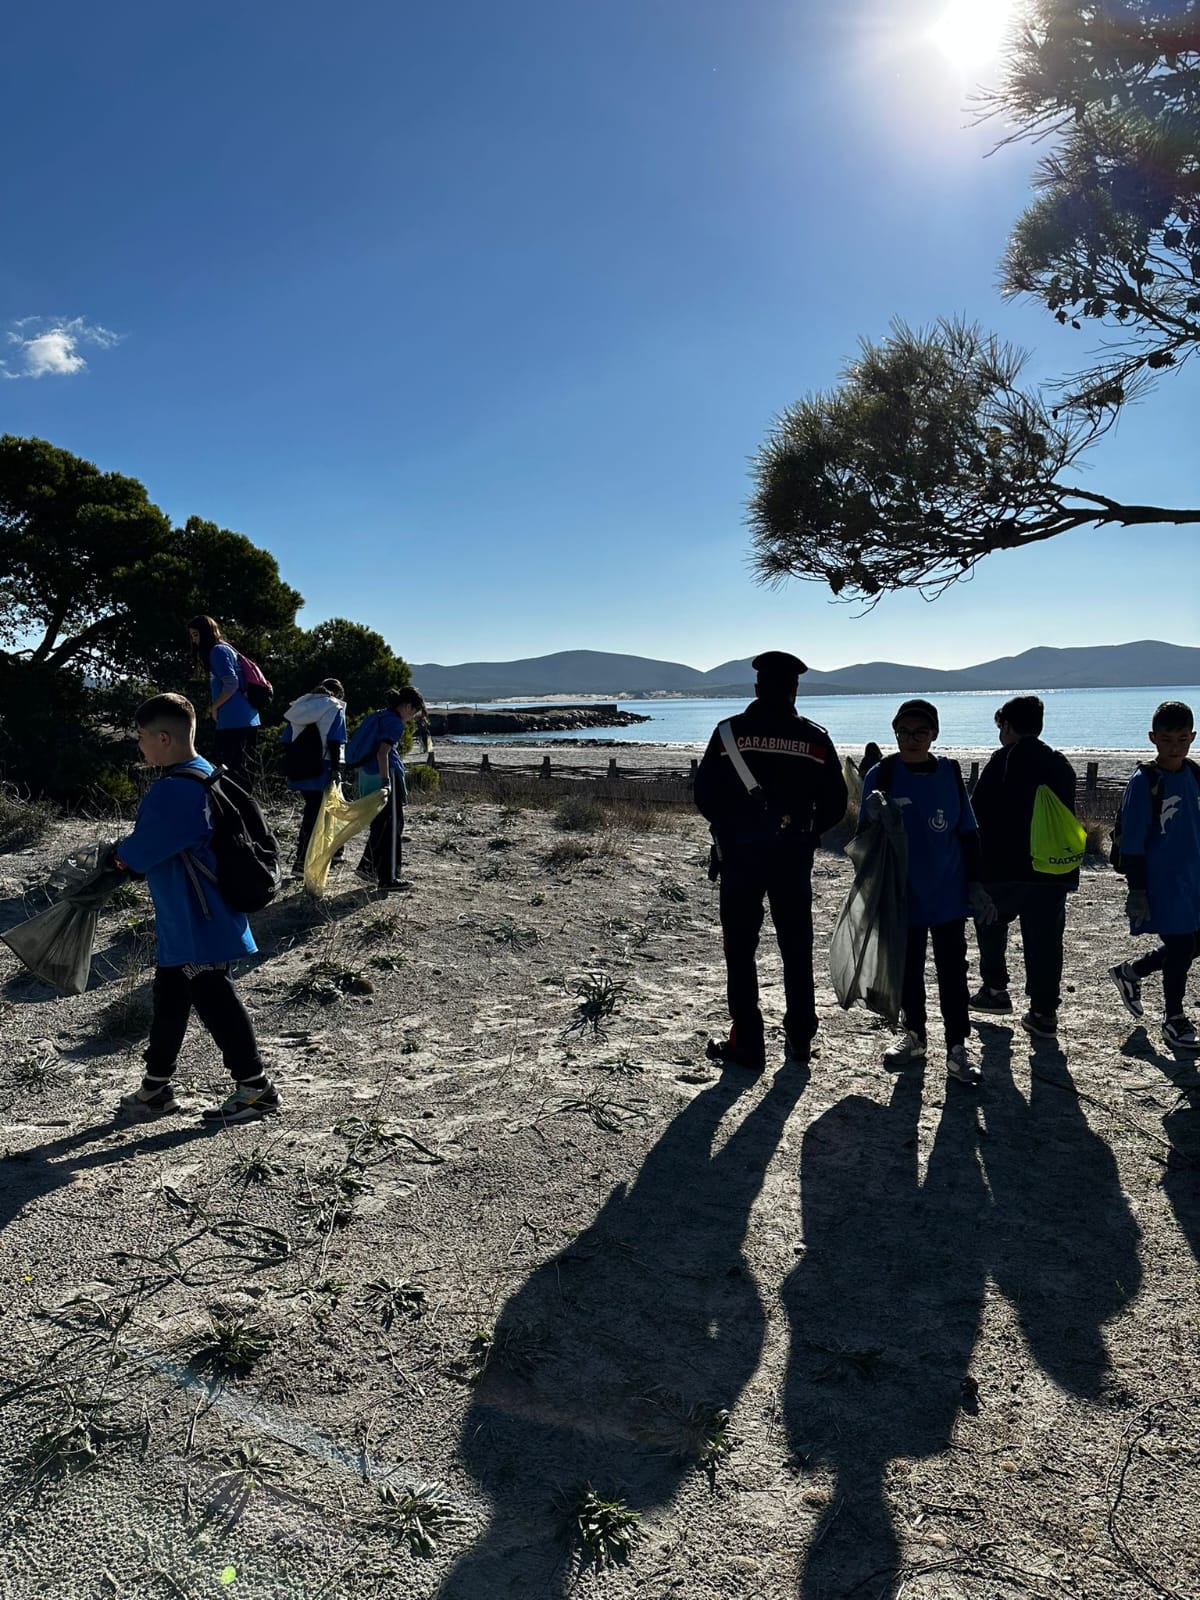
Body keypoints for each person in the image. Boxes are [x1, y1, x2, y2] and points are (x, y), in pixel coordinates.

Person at [112, 693, 279, 1123]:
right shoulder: (206, 774)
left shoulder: (174, 791)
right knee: (170, 994)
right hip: (200, 913)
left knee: (212, 995)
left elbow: (138, 854)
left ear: (163, 737)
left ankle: (255, 1088)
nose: (140, 745)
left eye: (142, 738)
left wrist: (112, 857)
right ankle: (156, 1089)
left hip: (194, 916)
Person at [695, 650, 847, 1071]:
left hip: (740, 856)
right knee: (796, 946)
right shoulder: (815, 740)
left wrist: (730, 827)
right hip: (792, 857)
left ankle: (748, 1042)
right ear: (795, 689)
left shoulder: (729, 734)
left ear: (758, 688)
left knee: (740, 950)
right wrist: (809, 833)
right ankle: (800, 1038)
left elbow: (704, 795)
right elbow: (836, 801)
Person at [862, 699, 994, 1088]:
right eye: (904, 732)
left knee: (954, 973)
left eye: (920, 732)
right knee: (908, 970)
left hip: (947, 895)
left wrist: (976, 885)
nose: (911, 739)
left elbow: (968, 833)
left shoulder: (949, 773)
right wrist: (871, 819)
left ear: (934, 734)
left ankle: (957, 1048)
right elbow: (861, 842)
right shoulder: (881, 774)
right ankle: (915, 1036)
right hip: (901, 896)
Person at [969, 695, 1079, 1039]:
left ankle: (996, 990)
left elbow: (978, 812)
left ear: (1007, 725)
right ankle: (1044, 1011)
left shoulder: (1003, 760)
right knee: (1045, 940)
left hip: (1006, 867)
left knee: (990, 922)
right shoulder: (1059, 763)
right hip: (1052, 869)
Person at [1109, 700, 1200, 1052]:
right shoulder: (1144, 781)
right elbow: (1132, 843)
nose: (1175, 746)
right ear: (1153, 738)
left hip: (1192, 878)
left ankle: (1131, 972)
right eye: (1167, 739)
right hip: (1162, 881)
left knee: (1195, 942)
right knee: (1181, 946)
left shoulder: (1193, 774)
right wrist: (1138, 890)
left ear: (1192, 737)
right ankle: (1174, 1019)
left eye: (1181, 739)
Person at [354, 686, 428, 892]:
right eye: (413, 711)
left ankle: (368, 867)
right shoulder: (394, 723)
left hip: (366, 775)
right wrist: (386, 781)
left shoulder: (379, 716)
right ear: (406, 706)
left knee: (379, 823)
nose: (412, 716)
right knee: (393, 825)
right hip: (384, 775)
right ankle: (389, 878)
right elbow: (383, 753)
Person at [279, 677, 347, 878]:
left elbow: (285, 740)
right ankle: (304, 862)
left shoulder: (299, 707)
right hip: (323, 767)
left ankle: (318, 856)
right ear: (338, 693)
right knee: (319, 814)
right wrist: (336, 770)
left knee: (312, 811)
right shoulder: (335, 708)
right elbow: (336, 741)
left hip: (299, 767)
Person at [188, 614, 260, 791]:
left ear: (206, 633)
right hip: (247, 717)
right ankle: (245, 810)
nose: (194, 640)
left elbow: (231, 683)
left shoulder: (217, 651)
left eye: (196, 635)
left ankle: (237, 811)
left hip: (234, 720)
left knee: (230, 772)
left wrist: (214, 706)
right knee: (243, 771)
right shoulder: (227, 648)